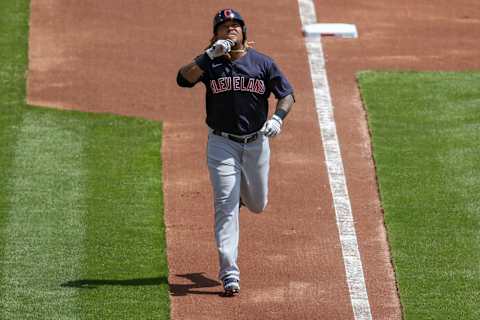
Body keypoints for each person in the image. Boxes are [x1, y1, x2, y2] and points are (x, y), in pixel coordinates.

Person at [176, 8, 295, 296]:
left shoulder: (262, 63)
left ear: (244, 32)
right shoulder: (211, 64)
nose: (230, 29)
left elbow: (287, 94)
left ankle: (243, 196)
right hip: (222, 144)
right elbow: (183, 78)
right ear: (215, 33)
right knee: (225, 206)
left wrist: (278, 118)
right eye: (224, 26)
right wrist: (208, 56)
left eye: (235, 25)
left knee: (257, 204)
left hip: (256, 143)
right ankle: (229, 272)